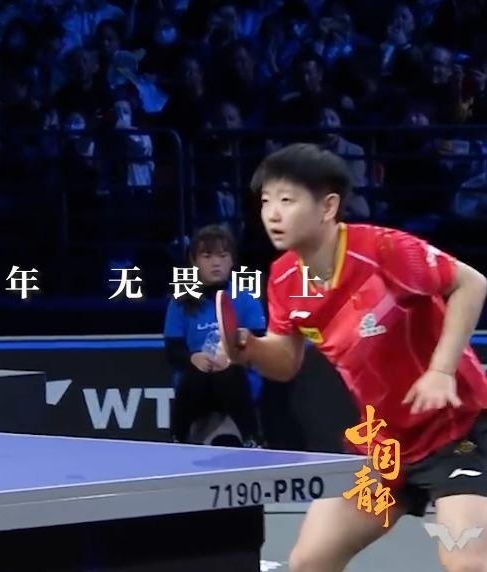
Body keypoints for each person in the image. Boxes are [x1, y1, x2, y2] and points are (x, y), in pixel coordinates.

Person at [223, 143, 487, 572]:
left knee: (466, 562)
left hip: (455, 433)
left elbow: (471, 283)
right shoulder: (285, 277)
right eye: (266, 201)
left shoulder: (383, 251)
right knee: (310, 560)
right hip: (385, 446)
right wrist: (249, 350)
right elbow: (286, 361)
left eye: (287, 200)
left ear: (328, 207)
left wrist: (441, 370)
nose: (272, 214)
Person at [163, 224, 266, 447]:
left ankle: (252, 439)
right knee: (195, 374)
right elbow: (173, 351)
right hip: (197, 379)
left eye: (223, 255)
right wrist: (193, 358)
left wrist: (233, 356)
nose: (216, 262)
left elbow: (260, 345)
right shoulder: (180, 302)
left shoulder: (246, 298)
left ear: (232, 261)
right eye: (207, 256)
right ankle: (176, 439)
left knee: (228, 372)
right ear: (194, 261)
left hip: (237, 378)